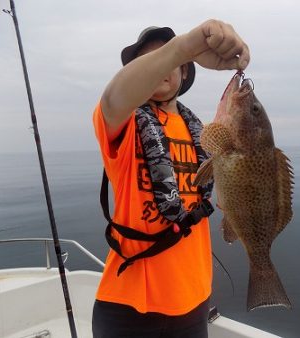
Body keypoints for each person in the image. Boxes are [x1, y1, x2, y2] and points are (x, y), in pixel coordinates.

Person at [91, 20, 249, 338]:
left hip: (193, 301)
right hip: (128, 306)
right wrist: (181, 49)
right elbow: (114, 96)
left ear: (185, 72)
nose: (161, 64)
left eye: (169, 60)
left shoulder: (204, 134)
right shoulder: (121, 120)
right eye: (149, 60)